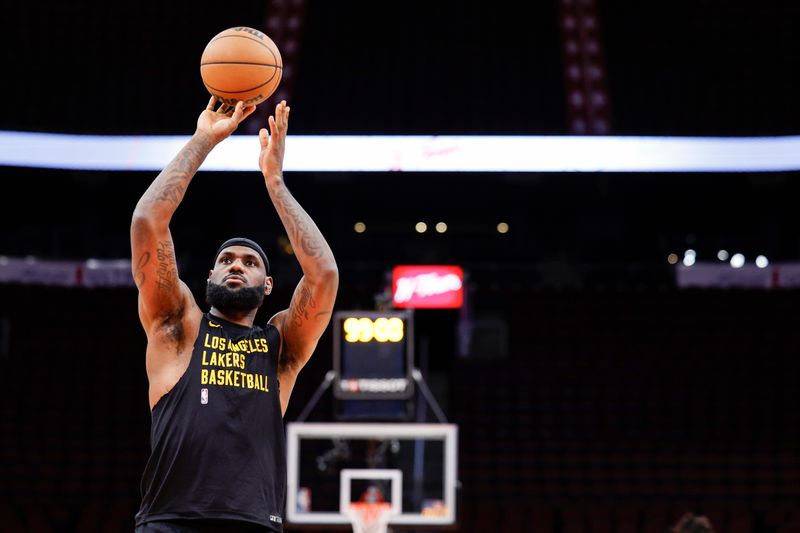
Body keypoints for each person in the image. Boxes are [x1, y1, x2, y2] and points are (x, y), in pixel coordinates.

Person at [130, 96, 339, 532]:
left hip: (253, 522)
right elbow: (149, 220)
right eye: (226, 259)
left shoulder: (279, 347)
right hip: (170, 521)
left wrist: (276, 183)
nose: (236, 264)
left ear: (267, 286)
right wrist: (203, 140)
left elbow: (324, 275)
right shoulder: (178, 327)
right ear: (209, 275)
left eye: (249, 261)